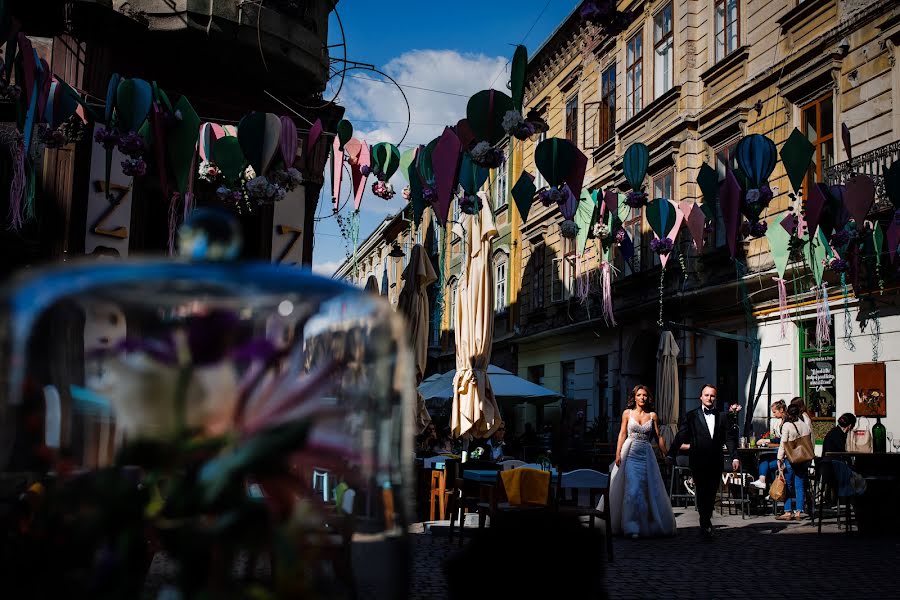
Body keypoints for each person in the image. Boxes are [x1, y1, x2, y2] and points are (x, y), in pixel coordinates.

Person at [668, 384, 739, 539]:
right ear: (701, 397)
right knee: (701, 491)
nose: (709, 398)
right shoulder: (692, 415)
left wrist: (734, 456)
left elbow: (729, 438)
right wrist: (671, 453)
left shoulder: (722, 416)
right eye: (706, 395)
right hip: (698, 459)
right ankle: (705, 523)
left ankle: (706, 520)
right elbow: (681, 435)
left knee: (712, 491)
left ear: (715, 397)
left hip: (715, 459)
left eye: (712, 395)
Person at [608, 385, 676, 538]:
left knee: (646, 489)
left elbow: (658, 437)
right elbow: (622, 433)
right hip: (630, 453)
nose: (642, 398)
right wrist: (618, 453)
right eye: (639, 395)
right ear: (634, 397)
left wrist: (667, 454)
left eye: (645, 395)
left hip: (646, 454)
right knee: (633, 489)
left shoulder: (652, 416)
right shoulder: (627, 413)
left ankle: (644, 523)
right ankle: (631, 525)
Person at [776, 403, 813, 521]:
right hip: (802, 459)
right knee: (800, 485)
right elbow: (809, 442)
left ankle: (787, 512)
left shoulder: (787, 425)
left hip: (790, 459)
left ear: (788, 413)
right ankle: (798, 511)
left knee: (788, 485)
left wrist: (779, 458)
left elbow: (783, 443)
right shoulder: (804, 425)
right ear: (798, 413)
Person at [750, 400, 787, 490]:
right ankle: (765, 485)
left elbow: (783, 439)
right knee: (764, 459)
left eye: (775, 412)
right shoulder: (782, 421)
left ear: (781, 410)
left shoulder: (786, 422)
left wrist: (767, 440)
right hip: (782, 453)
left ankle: (769, 488)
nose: (773, 415)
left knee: (764, 465)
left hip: (786, 456)